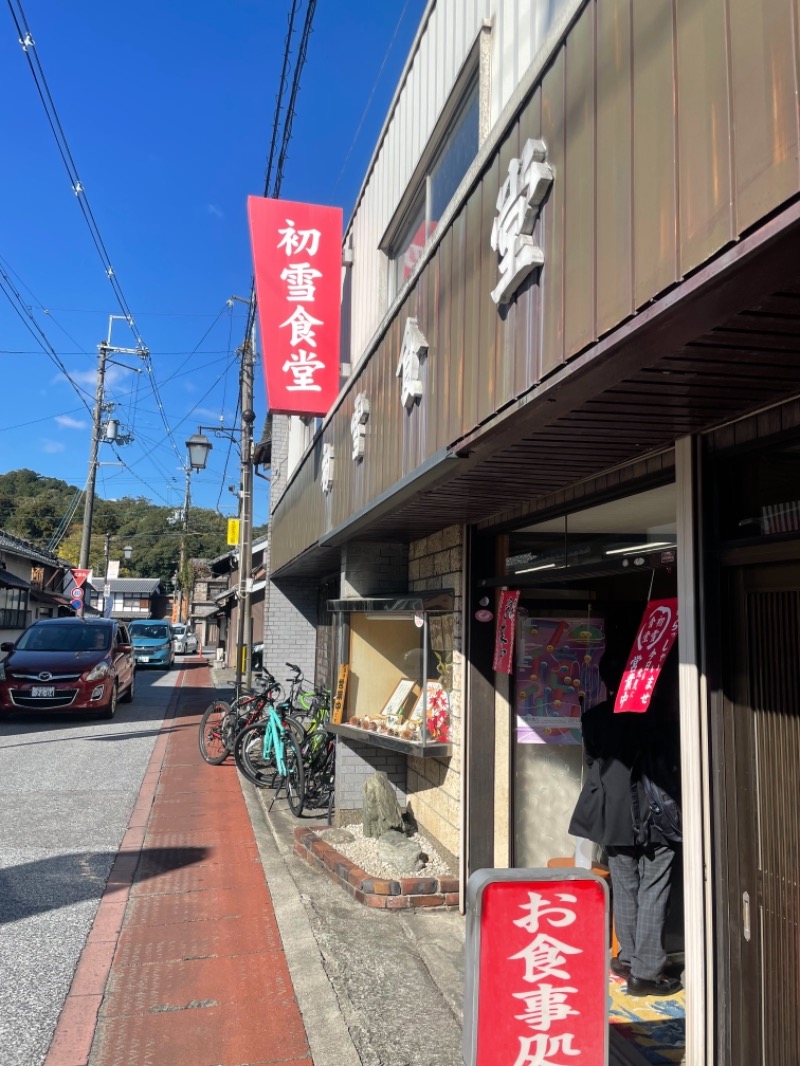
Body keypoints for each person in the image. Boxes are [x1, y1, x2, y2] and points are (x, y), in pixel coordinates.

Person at [569, 647, 682, 997]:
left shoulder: (595, 718)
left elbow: (594, 765)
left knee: (627, 885)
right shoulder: (656, 716)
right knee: (654, 887)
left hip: (614, 817)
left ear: (605, 681)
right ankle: (646, 974)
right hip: (656, 817)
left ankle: (629, 959)